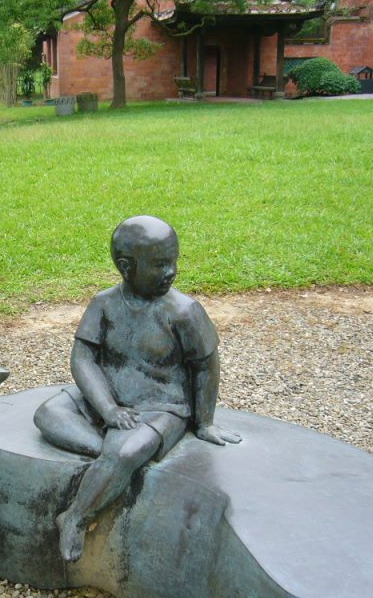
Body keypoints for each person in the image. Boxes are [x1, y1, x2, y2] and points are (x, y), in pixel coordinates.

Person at [34, 216, 240, 562]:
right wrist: (107, 408)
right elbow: (83, 358)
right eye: (160, 264)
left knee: (127, 451)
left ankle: (75, 516)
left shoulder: (184, 311)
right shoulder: (103, 304)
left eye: (173, 261)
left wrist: (204, 422)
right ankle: (107, 458)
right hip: (105, 397)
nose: (170, 272)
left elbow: (207, 365)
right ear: (126, 267)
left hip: (161, 406)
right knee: (48, 414)